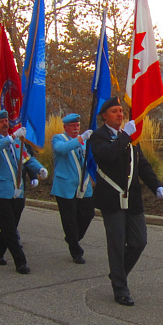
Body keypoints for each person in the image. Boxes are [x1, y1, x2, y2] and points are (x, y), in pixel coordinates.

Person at [88, 96, 163, 306]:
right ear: (104, 115)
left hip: (132, 200)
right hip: (111, 199)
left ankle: (117, 274)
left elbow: (142, 165)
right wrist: (125, 136)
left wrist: (156, 184)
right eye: (114, 111)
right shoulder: (98, 137)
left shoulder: (130, 137)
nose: (120, 114)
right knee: (116, 244)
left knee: (139, 241)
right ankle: (120, 289)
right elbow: (108, 157)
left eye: (121, 111)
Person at [0, 109, 47, 274]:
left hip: (17, 191)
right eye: (1, 122)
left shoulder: (17, 142)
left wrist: (39, 168)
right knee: (10, 229)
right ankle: (20, 262)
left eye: (6, 121)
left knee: (10, 226)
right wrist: (11, 137)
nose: (5, 124)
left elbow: (27, 158)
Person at [51, 113, 95, 264]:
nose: (76, 128)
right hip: (65, 187)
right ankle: (76, 251)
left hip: (83, 186)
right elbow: (62, 150)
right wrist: (81, 138)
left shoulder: (84, 142)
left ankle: (72, 238)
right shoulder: (58, 139)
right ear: (65, 127)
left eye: (77, 125)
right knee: (69, 220)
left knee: (88, 214)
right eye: (72, 126)